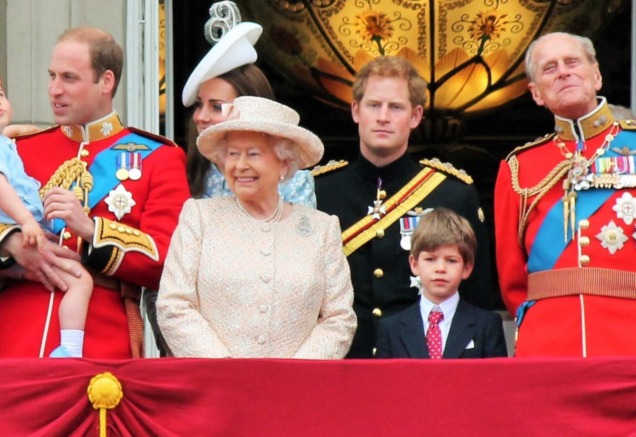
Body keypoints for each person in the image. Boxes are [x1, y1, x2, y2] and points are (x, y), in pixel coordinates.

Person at [0, 27, 190, 359]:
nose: (54, 90)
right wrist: (12, 244)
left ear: (105, 82)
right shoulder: (18, 150)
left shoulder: (158, 157)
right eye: (51, 76)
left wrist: (91, 230)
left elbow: (167, 261)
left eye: (69, 78)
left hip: (97, 348)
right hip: (8, 344)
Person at [316, 56, 492, 358]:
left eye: (396, 107)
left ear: (415, 116)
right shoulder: (320, 191)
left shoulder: (452, 193)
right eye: (374, 105)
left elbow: (476, 303)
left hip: (421, 359)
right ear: (356, 111)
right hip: (340, 358)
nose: (383, 117)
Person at [157, 96, 356, 358]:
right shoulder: (199, 218)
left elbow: (339, 317)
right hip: (215, 388)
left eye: (253, 154)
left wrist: (296, 374)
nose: (240, 166)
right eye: (232, 154)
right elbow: (173, 305)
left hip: (296, 391)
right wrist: (226, 368)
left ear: (284, 163)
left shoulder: (322, 229)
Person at [494, 32, 636, 357]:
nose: (562, 72)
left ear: (596, 75)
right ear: (536, 94)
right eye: (549, 68)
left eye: (572, 62)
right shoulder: (518, 167)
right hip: (548, 343)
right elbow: (513, 281)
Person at [0, 68, 92, 358]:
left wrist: (41, 131)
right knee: (80, 280)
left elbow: (8, 134)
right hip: (16, 229)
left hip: (1, 234)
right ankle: (71, 350)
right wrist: (24, 223)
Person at [182, 20, 316, 206]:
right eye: (199, 105)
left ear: (252, 109)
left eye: (217, 107)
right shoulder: (184, 175)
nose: (201, 117)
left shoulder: (293, 182)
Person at [375, 208, 507, 359]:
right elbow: (383, 381)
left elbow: (496, 380)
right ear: (414, 264)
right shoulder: (391, 329)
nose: (440, 269)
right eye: (430, 259)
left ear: (466, 268)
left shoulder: (487, 326)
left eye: (451, 260)